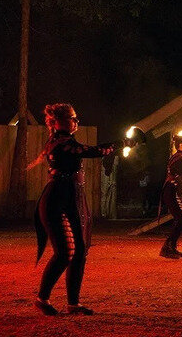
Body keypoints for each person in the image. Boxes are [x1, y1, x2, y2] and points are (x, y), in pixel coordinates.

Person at [32, 103, 137, 316]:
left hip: (69, 197)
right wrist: (122, 143)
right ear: (58, 121)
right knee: (65, 252)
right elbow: (91, 151)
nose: (76, 122)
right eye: (72, 118)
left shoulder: (66, 141)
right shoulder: (61, 143)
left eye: (75, 118)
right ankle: (42, 298)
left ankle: (73, 304)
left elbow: (87, 151)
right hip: (56, 200)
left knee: (79, 251)